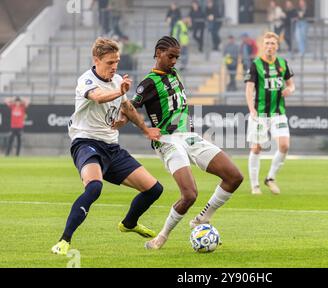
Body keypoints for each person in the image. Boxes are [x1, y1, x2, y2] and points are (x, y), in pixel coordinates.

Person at [51, 38, 164, 256]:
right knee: (94, 187)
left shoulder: (117, 80)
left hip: (112, 147)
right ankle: (64, 240)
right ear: (96, 60)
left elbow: (128, 108)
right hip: (86, 143)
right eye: (110, 62)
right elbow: (99, 97)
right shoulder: (86, 80)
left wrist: (146, 129)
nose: (114, 66)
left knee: (154, 189)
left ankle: (129, 223)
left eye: (117, 62)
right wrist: (120, 92)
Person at [130, 36, 243, 250]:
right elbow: (129, 107)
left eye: (177, 57)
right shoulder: (148, 83)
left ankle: (202, 219)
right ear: (158, 52)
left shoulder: (174, 74)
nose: (174, 61)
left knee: (234, 177)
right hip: (168, 140)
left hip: (190, 136)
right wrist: (144, 128)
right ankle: (161, 237)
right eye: (170, 56)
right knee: (190, 194)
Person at [244, 32, 295, 195]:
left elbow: (291, 84)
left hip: (278, 113)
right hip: (260, 113)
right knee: (257, 148)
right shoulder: (256, 64)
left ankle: (270, 178)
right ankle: (255, 185)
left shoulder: (283, 63)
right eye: (267, 43)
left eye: (273, 43)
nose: (269, 46)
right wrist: (251, 109)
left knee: (284, 145)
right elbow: (249, 88)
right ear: (262, 46)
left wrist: (289, 90)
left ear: (277, 46)